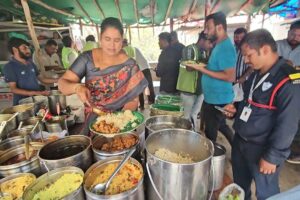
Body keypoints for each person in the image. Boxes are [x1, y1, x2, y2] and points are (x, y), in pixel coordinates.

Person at [224, 29, 300, 200]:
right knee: (240, 188)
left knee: (266, 193)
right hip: (241, 143)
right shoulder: (255, 74)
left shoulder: (289, 80)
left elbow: (288, 123)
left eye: (248, 55)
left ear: (265, 50)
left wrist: (272, 157)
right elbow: (250, 102)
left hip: (263, 150)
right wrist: (236, 108)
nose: (245, 60)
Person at [58, 17, 148, 135]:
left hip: (122, 125)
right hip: (95, 122)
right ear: (100, 38)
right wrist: (77, 87)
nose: (112, 45)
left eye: (117, 40)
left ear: (122, 40)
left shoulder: (130, 65)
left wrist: (119, 122)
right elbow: (62, 84)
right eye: (107, 39)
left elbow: (133, 100)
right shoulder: (87, 59)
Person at [185, 11, 236, 145]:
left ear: (219, 27)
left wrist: (201, 69)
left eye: (208, 27)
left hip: (217, 100)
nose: (205, 31)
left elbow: (230, 76)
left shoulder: (225, 48)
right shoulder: (219, 46)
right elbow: (216, 68)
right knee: (222, 126)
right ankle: (237, 148)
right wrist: (203, 65)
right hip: (214, 97)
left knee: (210, 132)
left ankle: (212, 160)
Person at [3, 37, 58, 105]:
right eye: (24, 48)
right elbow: (14, 89)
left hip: (36, 100)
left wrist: (59, 80)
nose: (28, 50)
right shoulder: (10, 67)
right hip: (23, 104)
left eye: (28, 48)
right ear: (15, 50)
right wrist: (36, 93)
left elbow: (42, 79)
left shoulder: (30, 63)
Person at [276, 20, 300, 164]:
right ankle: (277, 149)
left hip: (297, 89)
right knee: (278, 118)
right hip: (277, 88)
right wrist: (282, 63)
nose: (295, 37)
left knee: (293, 121)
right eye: (293, 33)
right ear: (288, 32)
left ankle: (293, 151)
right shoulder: (277, 45)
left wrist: (294, 70)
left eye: (299, 35)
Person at [122, 39, 155, 109]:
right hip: (146, 67)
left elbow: (129, 62)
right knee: (149, 85)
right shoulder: (134, 48)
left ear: (123, 43)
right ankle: (152, 102)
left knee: (139, 88)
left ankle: (141, 105)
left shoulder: (125, 49)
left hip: (139, 69)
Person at [233, 28, 252, 104]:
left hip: (245, 82)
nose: (238, 39)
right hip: (232, 82)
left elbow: (252, 66)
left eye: (241, 37)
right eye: (236, 37)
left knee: (243, 102)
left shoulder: (249, 50)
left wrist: (244, 77)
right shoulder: (232, 49)